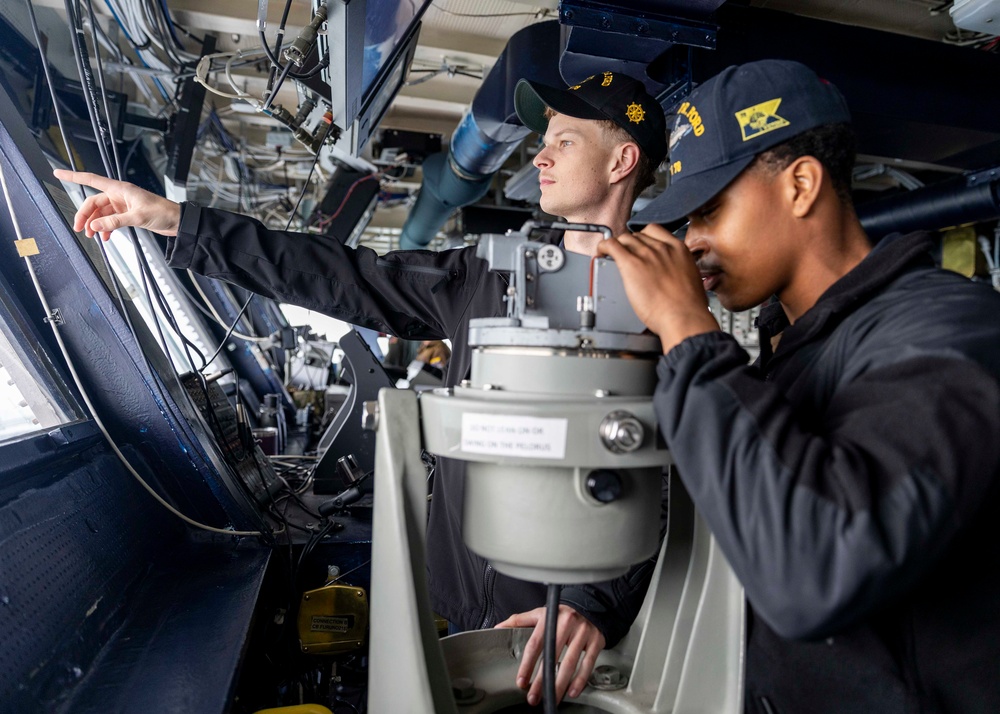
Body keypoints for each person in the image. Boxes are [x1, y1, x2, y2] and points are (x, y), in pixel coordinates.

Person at [55, 70, 668, 706]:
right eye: (545, 138)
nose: (539, 154)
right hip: (467, 604)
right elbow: (343, 274)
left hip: (571, 632)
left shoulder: (667, 304)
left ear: (623, 160)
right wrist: (180, 223)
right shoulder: (489, 275)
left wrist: (592, 608)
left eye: (565, 141)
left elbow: (676, 476)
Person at [598, 58, 1000, 713]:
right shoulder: (791, 346)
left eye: (708, 212)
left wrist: (685, 328)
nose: (692, 243)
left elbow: (813, 570)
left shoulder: (947, 331)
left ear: (801, 185)